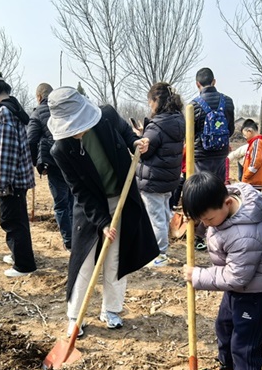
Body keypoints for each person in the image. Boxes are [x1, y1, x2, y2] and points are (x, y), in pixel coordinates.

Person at [49, 87, 158, 335]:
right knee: (84, 261)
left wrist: (135, 142)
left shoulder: (106, 116)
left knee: (115, 257)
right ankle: (75, 316)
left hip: (120, 197)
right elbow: (79, 191)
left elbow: (124, 132)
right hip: (91, 208)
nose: (77, 131)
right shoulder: (61, 150)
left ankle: (111, 309)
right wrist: (102, 222)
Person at [182, 173, 262, 370]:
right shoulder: (220, 211)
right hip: (238, 287)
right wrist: (197, 222)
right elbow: (213, 226)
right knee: (224, 325)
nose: (205, 224)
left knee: (245, 346)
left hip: (254, 291)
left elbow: (237, 276)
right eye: (201, 219)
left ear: (227, 203)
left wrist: (198, 276)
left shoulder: (246, 233)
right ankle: (227, 367)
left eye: (208, 219)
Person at [0, 68, 37, 277]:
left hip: (11, 180)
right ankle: (18, 255)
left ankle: (24, 265)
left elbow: (6, 151)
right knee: (17, 219)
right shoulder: (13, 107)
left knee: (11, 221)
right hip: (18, 177)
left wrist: (3, 183)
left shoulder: (4, 111)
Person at [135, 82, 184, 267]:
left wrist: (139, 138)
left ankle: (159, 254)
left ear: (157, 100)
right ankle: (162, 248)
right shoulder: (177, 120)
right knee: (163, 214)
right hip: (168, 179)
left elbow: (146, 151)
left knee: (156, 219)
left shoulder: (158, 125)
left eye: (150, 102)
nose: (149, 106)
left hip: (153, 180)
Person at [27, 82, 74, 251]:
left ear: (39, 97)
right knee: (72, 199)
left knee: (61, 203)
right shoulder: (64, 109)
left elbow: (31, 140)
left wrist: (36, 163)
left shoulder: (37, 113)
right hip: (72, 160)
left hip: (54, 162)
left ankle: (69, 241)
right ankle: (75, 235)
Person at [191, 68, 235, 181]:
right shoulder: (228, 101)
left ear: (197, 84)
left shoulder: (193, 106)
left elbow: (189, 135)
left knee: (202, 191)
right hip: (221, 154)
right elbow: (231, 129)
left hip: (201, 157)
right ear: (214, 82)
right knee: (219, 191)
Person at [240, 119, 262, 191]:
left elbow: (256, 162)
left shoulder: (257, 142)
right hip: (254, 181)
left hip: (253, 181)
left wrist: (246, 175)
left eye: (244, 135)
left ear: (249, 131)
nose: (245, 137)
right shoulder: (258, 142)